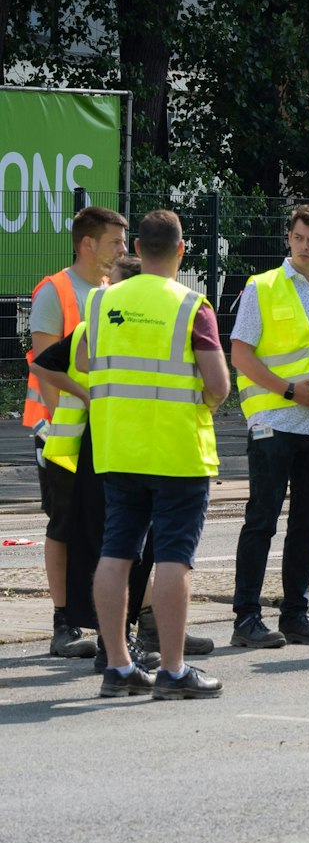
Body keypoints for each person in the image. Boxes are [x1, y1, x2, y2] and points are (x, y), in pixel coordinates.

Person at [81, 210, 230, 699]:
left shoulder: (101, 300)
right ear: (181, 250)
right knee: (173, 558)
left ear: (138, 249)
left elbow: (83, 361)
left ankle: (118, 667)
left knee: (115, 554)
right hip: (176, 452)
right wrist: (201, 402)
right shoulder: (192, 306)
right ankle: (172, 670)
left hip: (117, 448)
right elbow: (218, 385)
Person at [228, 203, 309, 649]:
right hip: (274, 420)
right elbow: (241, 354)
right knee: (261, 521)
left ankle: (295, 615)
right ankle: (246, 618)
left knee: (307, 525)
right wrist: (288, 390)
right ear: (288, 237)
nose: (304, 246)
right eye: (298, 237)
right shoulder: (262, 286)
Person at [30, 253, 166, 673]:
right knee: (115, 543)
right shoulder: (100, 324)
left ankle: (126, 637)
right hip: (99, 451)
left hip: (116, 448)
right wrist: (87, 397)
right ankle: (111, 639)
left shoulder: (110, 323)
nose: (108, 289)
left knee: (126, 544)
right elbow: (50, 364)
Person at [26, 204, 127, 659]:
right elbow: (46, 367)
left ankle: (116, 623)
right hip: (63, 433)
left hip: (103, 431)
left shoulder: (111, 291)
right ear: (88, 244)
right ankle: (64, 622)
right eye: (115, 241)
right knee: (63, 526)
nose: (122, 249)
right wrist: (64, 424)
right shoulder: (56, 290)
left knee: (108, 526)